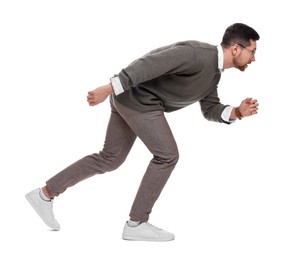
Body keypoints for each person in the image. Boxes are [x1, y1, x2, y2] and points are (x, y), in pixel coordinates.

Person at [25, 23, 260, 241]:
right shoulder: (196, 54)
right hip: (139, 102)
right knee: (168, 155)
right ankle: (137, 224)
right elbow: (149, 63)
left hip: (129, 100)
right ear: (237, 49)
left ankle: (44, 194)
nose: (254, 58)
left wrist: (237, 112)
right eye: (252, 52)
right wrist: (108, 88)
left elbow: (209, 109)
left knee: (110, 158)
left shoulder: (213, 75)